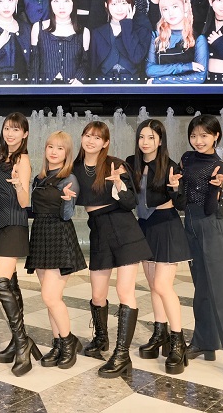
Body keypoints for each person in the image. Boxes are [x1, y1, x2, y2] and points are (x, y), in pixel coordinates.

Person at [72, 121, 152, 378]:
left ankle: (122, 354)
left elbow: (130, 203)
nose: (91, 140)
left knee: (124, 291)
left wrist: (119, 183)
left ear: (105, 143)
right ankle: (101, 338)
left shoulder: (115, 165)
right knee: (97, 294)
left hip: (124, 228)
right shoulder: (75, 168)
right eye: (87, 135)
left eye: (97, 137)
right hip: (98, 230)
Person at [181, 115, 223, 384]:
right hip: (191, 227)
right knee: (202, 289)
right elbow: (181, 200)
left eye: (204, 135)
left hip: (213, 228)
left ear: (216, 136)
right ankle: (204, 341)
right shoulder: (186, 159)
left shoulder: (219, 167)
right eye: (194, 135)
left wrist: (217, 188)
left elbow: (211, 208)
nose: (198, 141)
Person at [126, 119, 190, 375]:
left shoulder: (171, 166)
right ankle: (159, 332)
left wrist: (175, 189)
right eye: (142, 136)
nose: (145, 142)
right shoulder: (132, 162)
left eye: (151, 137)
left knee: (163, 285)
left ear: (160, 140)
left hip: (166, 226)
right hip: (144, 226)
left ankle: (178, 342)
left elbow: (182, 204)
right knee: (153, 285)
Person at [25, 131, 86, 370]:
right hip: (40, 235)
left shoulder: (69, 178)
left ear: (67, 153)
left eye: (60, 148)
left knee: (50, 297)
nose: (53, 151)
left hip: (59, 236)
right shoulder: (39, 178)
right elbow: (33, 209)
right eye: (50, 146)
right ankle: (58, 343)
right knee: (51, 299)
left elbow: (67, 215)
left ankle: (69, 343)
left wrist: (67, 200)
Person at [0, 113, 40, 376]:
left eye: (16, 130)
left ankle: (22, 345)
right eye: (7, 128)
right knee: (11, 284)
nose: (10, 133)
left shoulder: (22, 159)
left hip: (13, 225)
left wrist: (20, 184)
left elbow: (24, 201)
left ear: (25, 134)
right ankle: (18, 339)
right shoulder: (1, 157)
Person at [90, 0, 152, 83]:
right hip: (103, 84)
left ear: (131, 5)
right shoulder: (97, 33)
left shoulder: (142, 30)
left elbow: (136, 58)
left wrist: (127, 25)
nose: (119, 9)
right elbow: (92, 68)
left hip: (132, 84)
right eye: (114, 4)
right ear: (106, 5)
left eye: (124, 3)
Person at [30, 0, 89, 84]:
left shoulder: (83, 32)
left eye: (66, 1)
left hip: (72, 88)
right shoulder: (38, 28)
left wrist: (80, 78)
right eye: (56, 1)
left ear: (73, 3)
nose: (61, 6)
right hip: (44, 88)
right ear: (50, 3)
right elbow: (34, 64)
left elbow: (86, 63)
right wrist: (34, 90)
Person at [146, 0, 208, 84]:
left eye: (175, 7)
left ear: (185, 7)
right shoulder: (156, 36)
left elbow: (199, 77)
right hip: (161, 92)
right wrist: (186, 67)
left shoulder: (199, 39)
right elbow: (150, 70)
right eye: (165, 9)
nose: (170, 13)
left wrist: (160, 80)